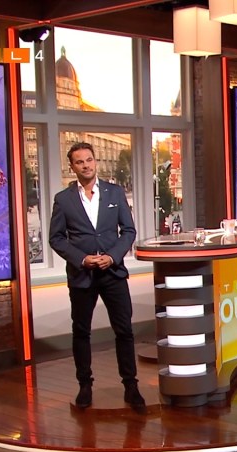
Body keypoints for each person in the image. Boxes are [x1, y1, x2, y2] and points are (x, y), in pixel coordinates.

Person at [48, 142, 144, 410]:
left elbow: (128, 231)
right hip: (82, 275)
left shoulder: (115, 192)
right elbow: (56, 238)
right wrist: (82, 259)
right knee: (81, 331)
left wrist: (112, 256)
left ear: (95, 161)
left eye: (89, 160)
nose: (86, 165)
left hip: (112, 272)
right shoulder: (63, 199)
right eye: (79, 162)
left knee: (124, 330)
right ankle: (85, 385)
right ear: (72, 167)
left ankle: (131, 386)